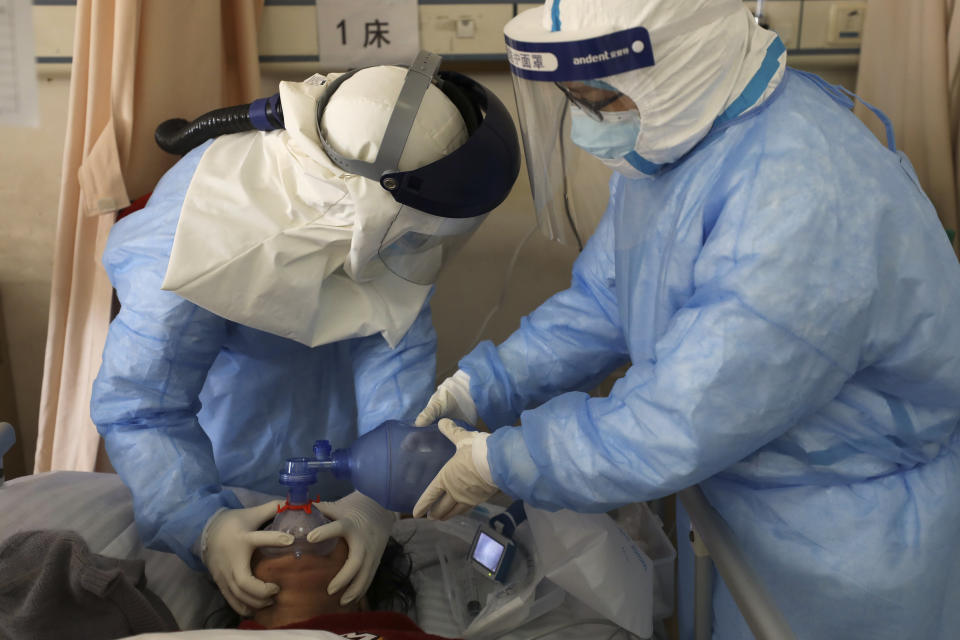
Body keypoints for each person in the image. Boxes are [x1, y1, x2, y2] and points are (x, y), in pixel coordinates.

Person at [411, 2, 960, 639]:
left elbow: (677, 419)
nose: (587, 122)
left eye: (598, 98)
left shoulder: (803, 199)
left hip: (842, 550)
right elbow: (608, 299)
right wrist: (486, 385)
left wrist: (503, 461)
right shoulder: (680, 142)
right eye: (573, 100)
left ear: (679, 66)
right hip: (742, 507)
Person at [90, 52, 519, 619]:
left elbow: (394, 350)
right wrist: (201, 523)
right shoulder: (193, 237)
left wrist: (377, 498)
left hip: (348, 485)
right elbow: (141, 406)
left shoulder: (391, 223)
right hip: (225, 474)